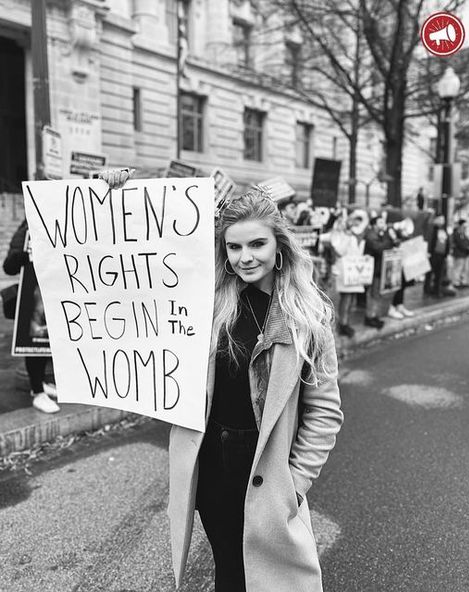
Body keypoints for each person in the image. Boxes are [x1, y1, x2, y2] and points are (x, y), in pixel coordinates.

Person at [100, 170, 343, 592]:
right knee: (229, 568)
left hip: (268, 470)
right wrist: (115, 194)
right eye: (234, 246)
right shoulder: (205, 304)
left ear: (279, 247)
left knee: (271, 576)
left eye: (256, 244)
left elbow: (325, 413)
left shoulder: (309, 319)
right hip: (213, 465)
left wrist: (296, 484)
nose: (245, 256)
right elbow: (133, 273)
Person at [3, 219, 59, 413]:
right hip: (34, 296)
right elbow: (9, 267)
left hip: (56, 292)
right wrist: (25, 255)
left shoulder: (63, 224)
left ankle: (41, 383)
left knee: (50, 342)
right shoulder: (26, 229)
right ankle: (37, 392)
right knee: (35, 341)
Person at [329, 210, 367, 338]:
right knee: (345, 298)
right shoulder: (340, 235)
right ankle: (342, 324)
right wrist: (347, 237)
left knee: (351, 299)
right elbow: (340, 251)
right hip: (344, 271)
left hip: (354, 270)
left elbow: (357, 252)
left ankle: (347, 322)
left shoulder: (356, 236)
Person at [363, 215, 397, 329]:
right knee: (373, 294)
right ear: (374, 225)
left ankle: (374, 315)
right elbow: (378, 248)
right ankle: (369, 317)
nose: (383, 224)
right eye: (380, 222)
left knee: (376, 294)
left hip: (378, 269)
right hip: (372, 270)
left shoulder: (380, 235)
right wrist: (389, 239)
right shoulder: (371, 235)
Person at [451, 219, 469, 289]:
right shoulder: (456, 233)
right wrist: (466, 248)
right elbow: (460, 243)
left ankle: (463, 281)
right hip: (459, 254)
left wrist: (468, 247)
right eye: (464, 226)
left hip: (465, 254)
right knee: (458, 268)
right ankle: (456, 282)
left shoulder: (464, 234)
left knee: (465, 269)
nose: (465, 228)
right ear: (460, 226)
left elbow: (468, 242)